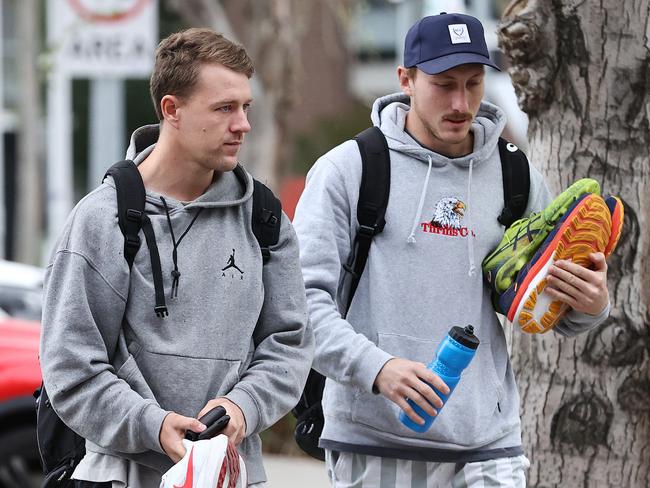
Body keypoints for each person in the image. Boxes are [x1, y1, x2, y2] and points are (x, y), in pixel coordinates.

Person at [292, 12, 611, 487]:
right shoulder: (348, 170)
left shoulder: (514, 175)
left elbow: (549, 309)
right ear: (406, 80)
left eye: (474, 83)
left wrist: (591, 304)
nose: (462, 102)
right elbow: (300, 307)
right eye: (443, 84)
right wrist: (377, 369)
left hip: (490, 444)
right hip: (375, 441)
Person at [40, 28, 313, 488]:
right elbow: (70, 367)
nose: (242, 124)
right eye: (224, 108)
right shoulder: (102, 220)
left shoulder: (264, 218)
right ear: (172, 110)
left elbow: (288, 345)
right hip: (120, 476)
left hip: (234, 475)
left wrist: (242, 405)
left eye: (245, 107)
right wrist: (152, 424)